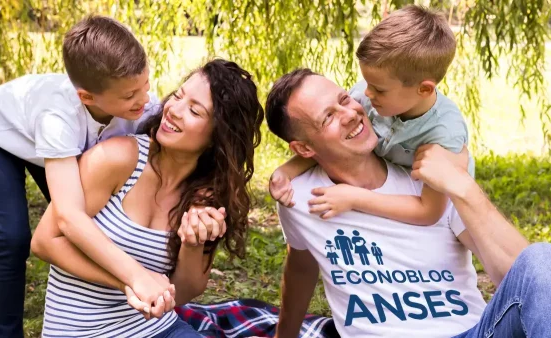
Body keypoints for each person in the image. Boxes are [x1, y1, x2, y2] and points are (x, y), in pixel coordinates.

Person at [265, 69, 551, 337]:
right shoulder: (299, 198)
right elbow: (301, 266)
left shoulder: (430, 180)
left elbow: (525, 280)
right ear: (303, 148)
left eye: (344, 99)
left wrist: (464, 187)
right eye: (328, 117)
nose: (350, 114)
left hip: (471, 332)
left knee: (539, 258)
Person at [30, 59, 264, 337]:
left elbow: (182, 292)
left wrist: (192, 243)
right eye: (178, 96)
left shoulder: (206, 195)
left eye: (194, 110)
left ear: (218, 136)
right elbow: (45, 241)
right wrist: (131, 280)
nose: (173, 110)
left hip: (159, 330)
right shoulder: (117, 159)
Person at [0, 15, 156, 337]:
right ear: (87, 97)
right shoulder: (58, 118)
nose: (143, 100)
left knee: (90, 223)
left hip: (51, 142)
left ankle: (93, 312)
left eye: (145, 86)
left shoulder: (139, 103)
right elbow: (69, 216)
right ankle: (3, 333)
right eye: (129, 96)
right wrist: (134, 274)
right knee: (14, 238)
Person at [269, 5, 472, 226]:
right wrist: (287, 170)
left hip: (448, 218)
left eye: (379, 89)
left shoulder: (444, 133)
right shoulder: (368, 96)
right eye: (367, 83)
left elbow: (428, 211)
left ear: (424, 89)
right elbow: (323, 141)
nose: (366, 93)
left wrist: (354, 198)